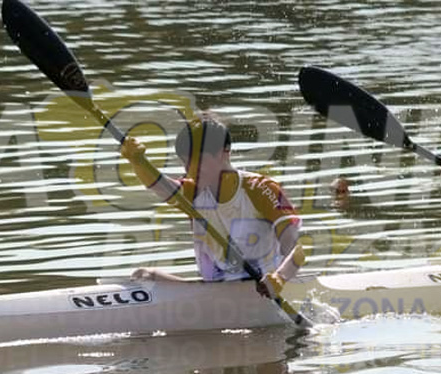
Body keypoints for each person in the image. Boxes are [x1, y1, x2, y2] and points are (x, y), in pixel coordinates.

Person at [119, 113, 304, 298]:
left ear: (225, 152)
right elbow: (159, 185)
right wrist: (137, 162)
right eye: (185, 162)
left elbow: (296, 248)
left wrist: (280, 278)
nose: (190, 170)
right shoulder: (193, 194)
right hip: (215, 289)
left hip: (263, 289)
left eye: (198, 160)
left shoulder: (261, 189)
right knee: (142, 276)